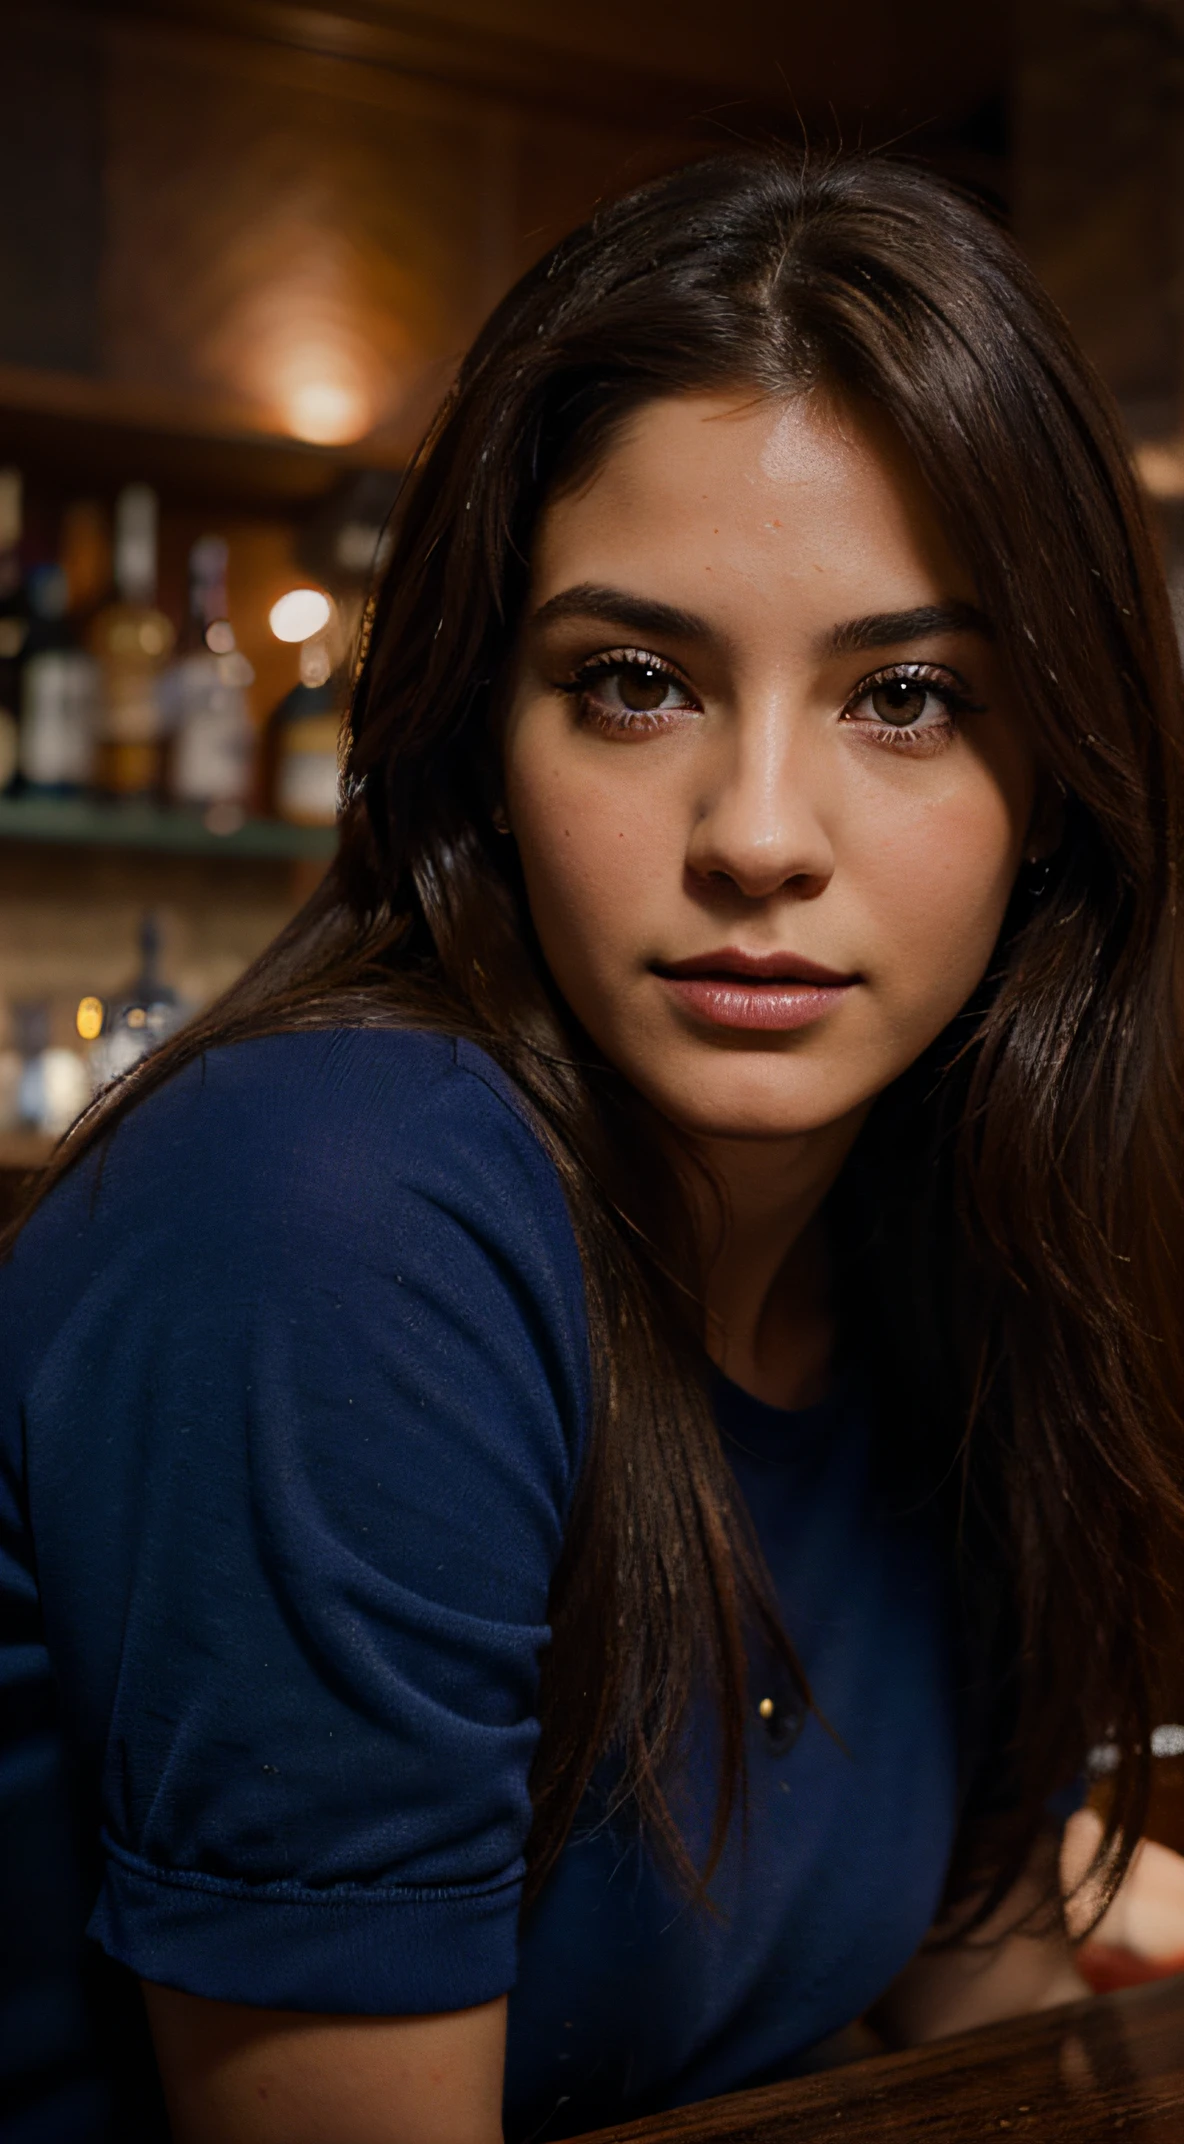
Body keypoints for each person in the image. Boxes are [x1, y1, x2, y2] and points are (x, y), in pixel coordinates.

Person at [2, 151, 1183, 2144]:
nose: (755, 832)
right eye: (633, 684)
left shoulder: (942, 1254)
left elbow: (974, 1994)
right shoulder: (344, 1219)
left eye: (904, 695)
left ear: (1052, 785)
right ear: (485, 735)